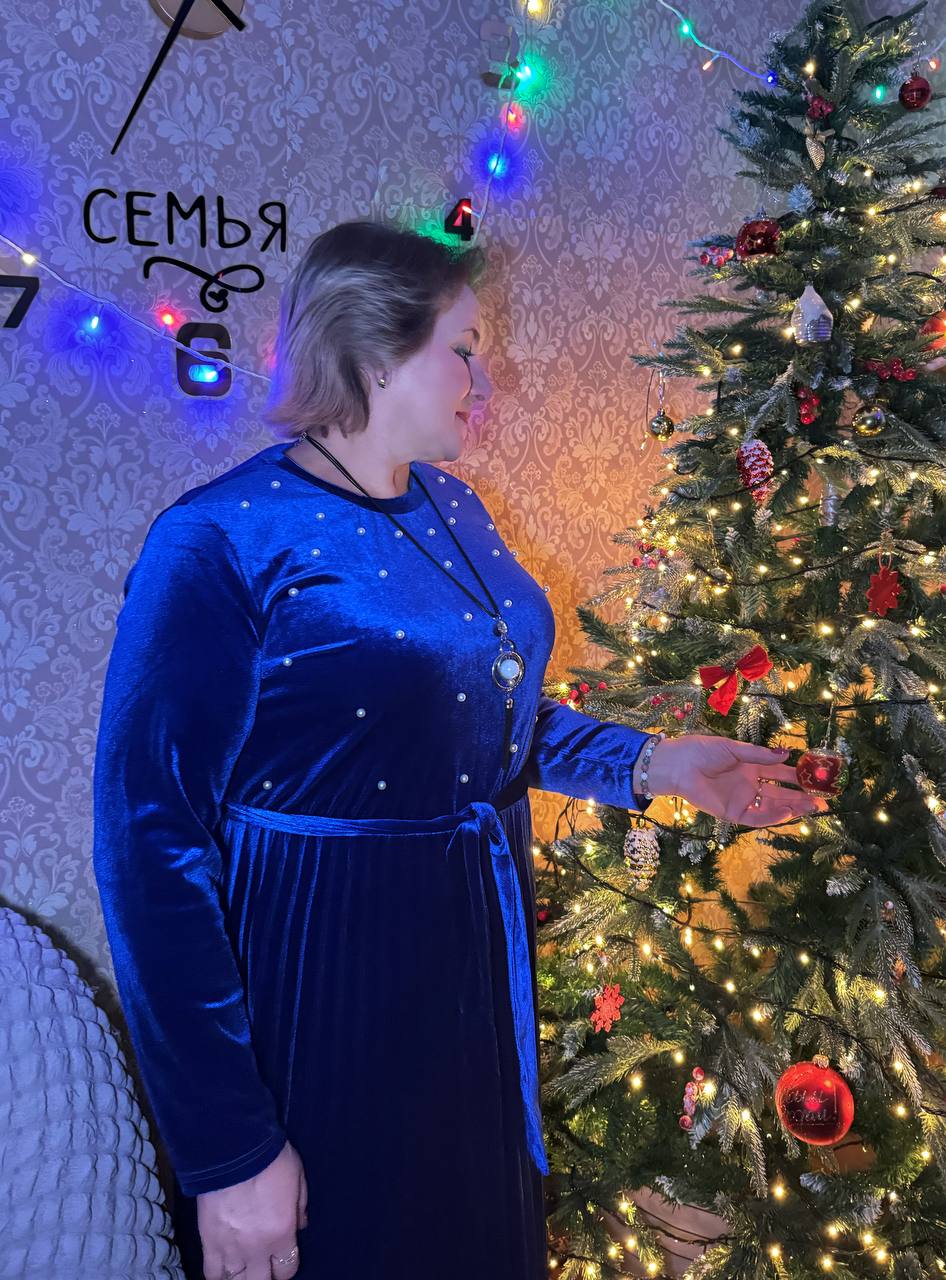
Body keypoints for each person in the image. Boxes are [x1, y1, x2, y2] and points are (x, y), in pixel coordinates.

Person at [92, 219, 827, 1280]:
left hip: (470, 971)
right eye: (466, 349)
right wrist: (228, 1147)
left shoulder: (456, 506)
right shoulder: (218, 539)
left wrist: (654, 764)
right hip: (322, 980)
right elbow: (147, 844)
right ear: (376, 355)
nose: (487, 379)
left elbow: (483, 720)